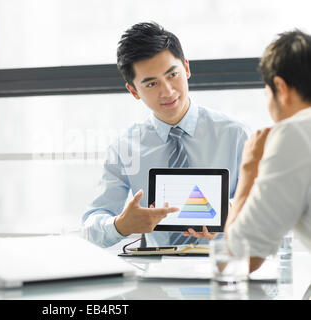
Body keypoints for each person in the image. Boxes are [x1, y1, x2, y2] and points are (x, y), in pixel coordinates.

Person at [82, 22, 250, 248]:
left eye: (173, 75)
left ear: (187, 69)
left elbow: (265, 206)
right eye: (151, 84)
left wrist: (228, 214)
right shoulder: (125, 148)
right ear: (134, 91)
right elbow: (91, 226)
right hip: (156, 273)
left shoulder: (235, 135)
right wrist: (121, 224)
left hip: (223, 268)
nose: (168, 91)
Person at [225, 30, 311, 272]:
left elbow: (240, 257)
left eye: (266, 92)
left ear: (280, 87)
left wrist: (250, 167)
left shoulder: (294, 133)